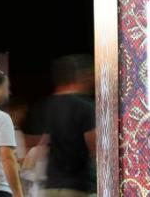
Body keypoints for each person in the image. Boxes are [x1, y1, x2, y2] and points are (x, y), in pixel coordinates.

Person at [26, 55, 95, 197]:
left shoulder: (44, 106)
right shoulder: (84, 107)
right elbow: (94, 146)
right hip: (76, 187)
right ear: (78, 77)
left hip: (49, 187)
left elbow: (34, 144)